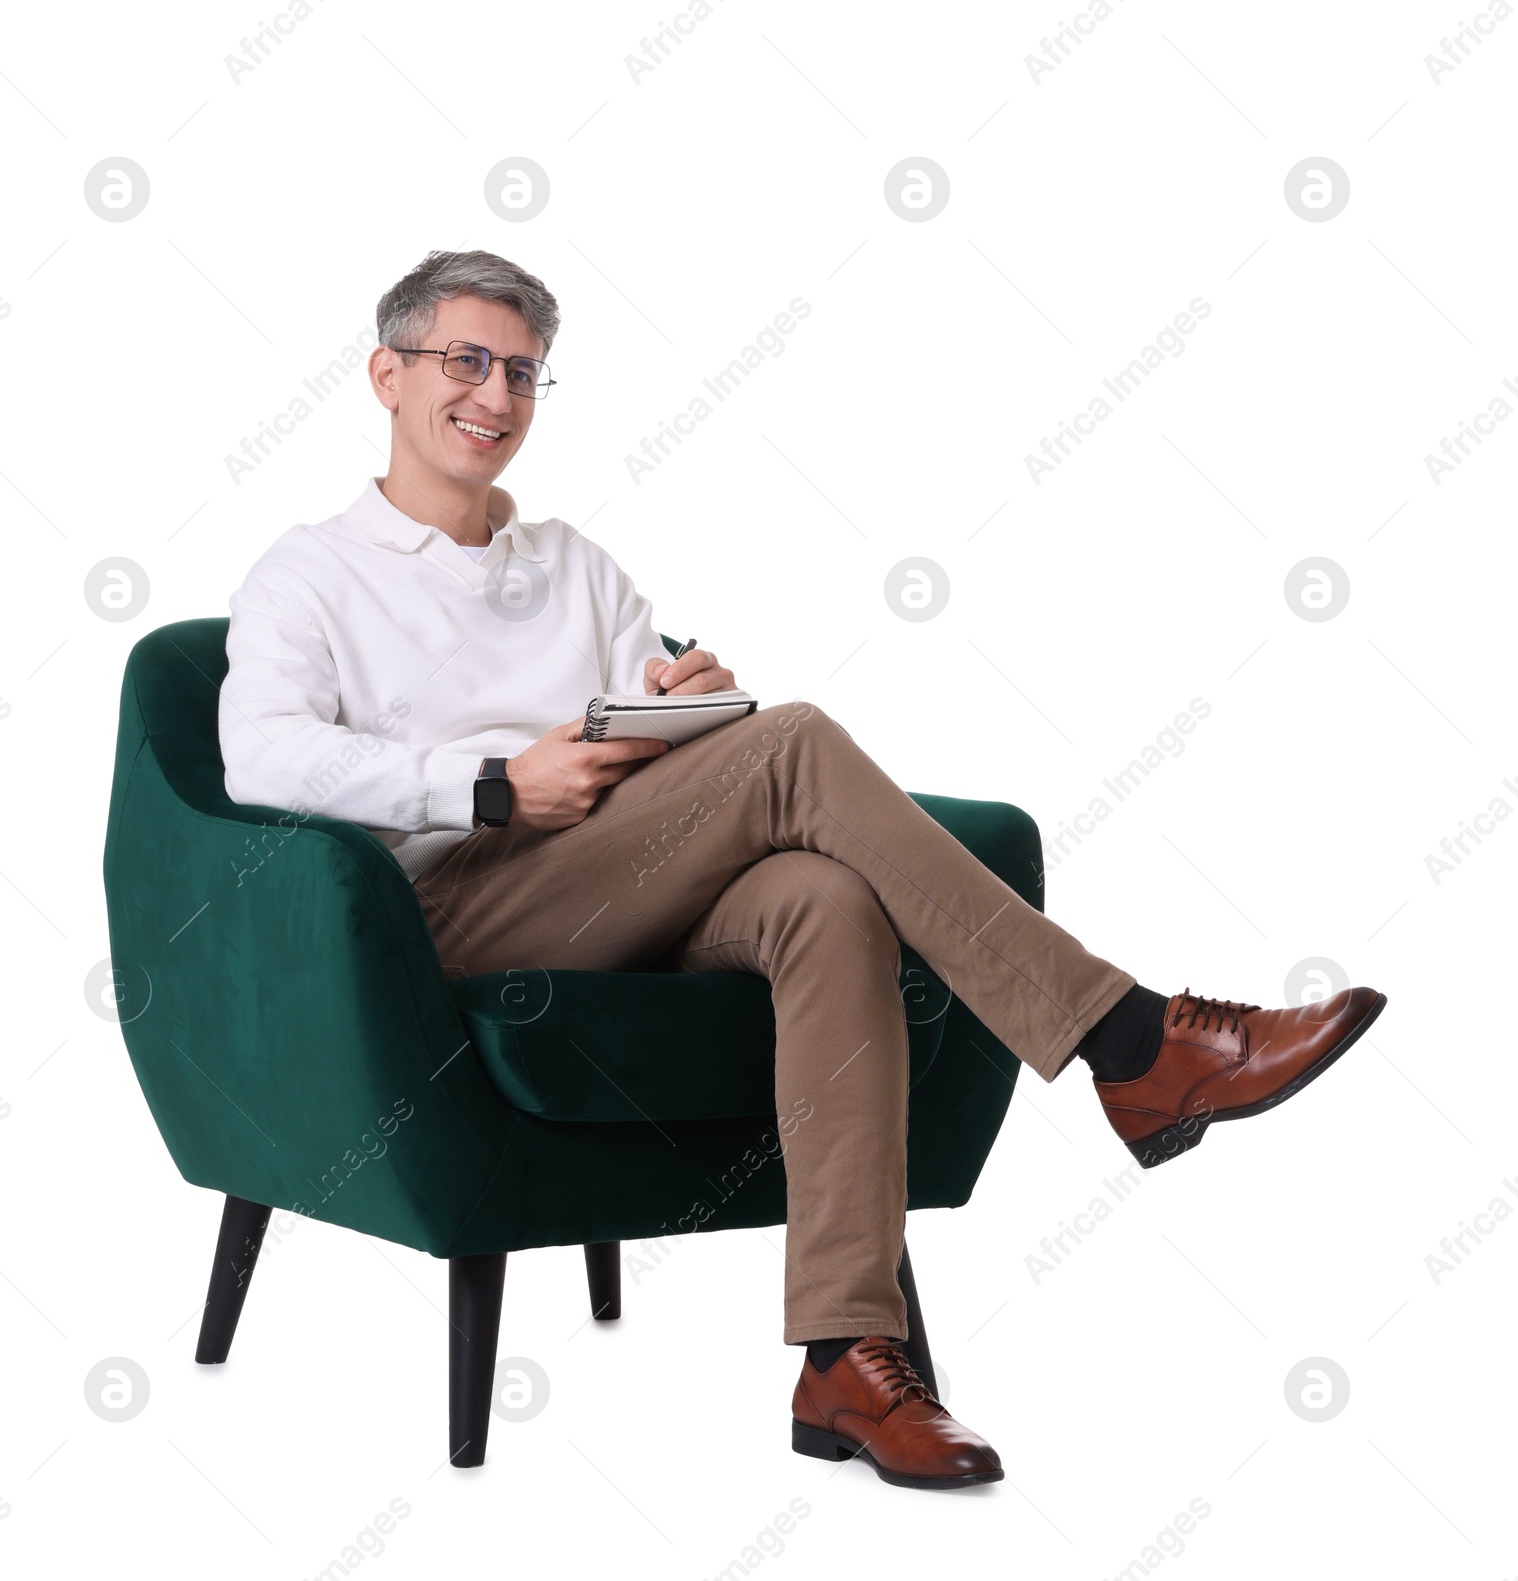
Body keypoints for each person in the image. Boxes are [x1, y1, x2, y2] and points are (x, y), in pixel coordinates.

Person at [219, 248, 1387, 1491]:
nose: (495, 396)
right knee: (797, 743)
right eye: (465, 361)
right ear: (386, 375)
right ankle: (1132, 1044)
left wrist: (682, 708)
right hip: (453, 910)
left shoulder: (575, 565)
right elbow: (261, 758)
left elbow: (643, 743)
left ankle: (848, 1356)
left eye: (522, 372)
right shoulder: (309, 572)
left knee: (825, 902)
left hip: (622, 881)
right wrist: (496, 786)